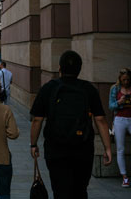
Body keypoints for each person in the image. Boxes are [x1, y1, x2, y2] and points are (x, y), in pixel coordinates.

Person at [30, 50, 112, 199]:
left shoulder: (48, 88)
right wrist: (107, 148)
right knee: (80, 190)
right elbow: (100, 120)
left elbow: (37, 120)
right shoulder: (88, 89)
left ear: (60, 68)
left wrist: (33, 144)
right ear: (80, 69)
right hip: (83, 148)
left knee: (60, 189)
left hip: (56, 149)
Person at [108, 68, 131, 188]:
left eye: (128, 79)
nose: (126, 82)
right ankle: (125, 177)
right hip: (119, 120)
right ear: (120, 79)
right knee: (120, 149)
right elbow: (111, 106)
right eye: (124, 80)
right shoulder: (115, 89)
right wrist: (118, 102)